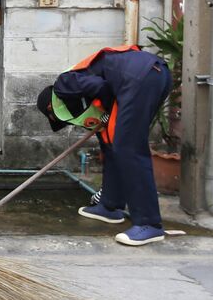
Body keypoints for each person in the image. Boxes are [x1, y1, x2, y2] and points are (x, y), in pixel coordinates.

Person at [36, 45, 172, 246]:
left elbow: (103, 88)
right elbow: (107, 133)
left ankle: (149, 224)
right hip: (154, 75)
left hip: (138, 78)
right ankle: (110, 206)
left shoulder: (64, 84)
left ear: (51, 106)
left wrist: (108, 112)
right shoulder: (82, 94)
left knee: (129, 148)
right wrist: (106, 119)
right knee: (113, 144)